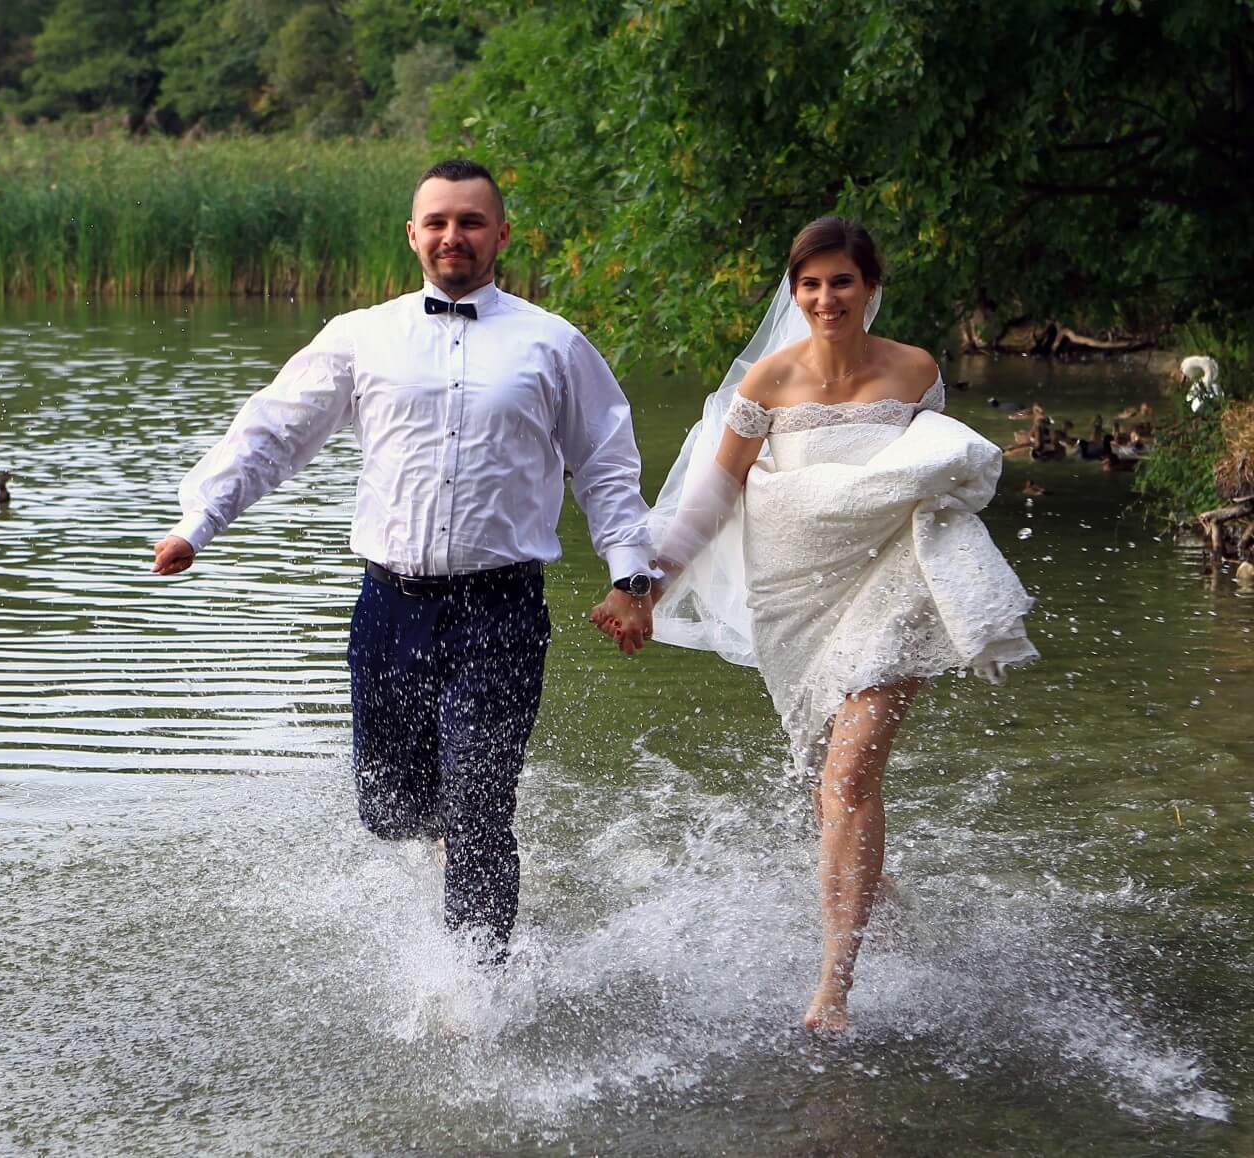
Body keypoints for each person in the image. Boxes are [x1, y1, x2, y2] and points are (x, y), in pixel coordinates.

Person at [154, 159, 657, 961]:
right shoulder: (362, 336)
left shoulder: (553, 344)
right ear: (413, 235)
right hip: (390, 608)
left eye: (471, 221)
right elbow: (274, 432)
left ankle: (476, 985)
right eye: (439, 222)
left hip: (501, 610)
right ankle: (446, 843)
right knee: (390, 809)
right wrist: (199, 523)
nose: (454, 235)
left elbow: (605, 461)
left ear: (501, 234)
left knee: (481, 806)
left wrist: (631, 576)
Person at [594, 217, 1037, 1029]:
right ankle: (877, 892)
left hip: (892, 587)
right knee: (829, 783)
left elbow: (920, 475)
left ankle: (834, 986)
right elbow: (712, 498)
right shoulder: (767, 381)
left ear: (870, 287)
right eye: (811, 284)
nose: (826, 298)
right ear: (794, 292)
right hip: (796, 599)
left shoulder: (915, 370)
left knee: (849, 776)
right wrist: (645, 589)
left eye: (841, 282)